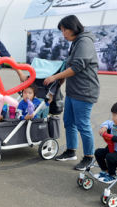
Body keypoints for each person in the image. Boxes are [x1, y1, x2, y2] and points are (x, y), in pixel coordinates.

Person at [43, 15, 100, 170]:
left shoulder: (84, 41)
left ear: (71, 28)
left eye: (63, 30)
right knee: (69, 122)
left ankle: (89, 157)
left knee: (83, 124)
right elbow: (68, 65)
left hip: (85, 91)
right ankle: (70, 151)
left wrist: (55, 76)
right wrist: (59, 81)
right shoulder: (76, 42)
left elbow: (77, 67)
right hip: (73, 91)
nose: (63, 34)